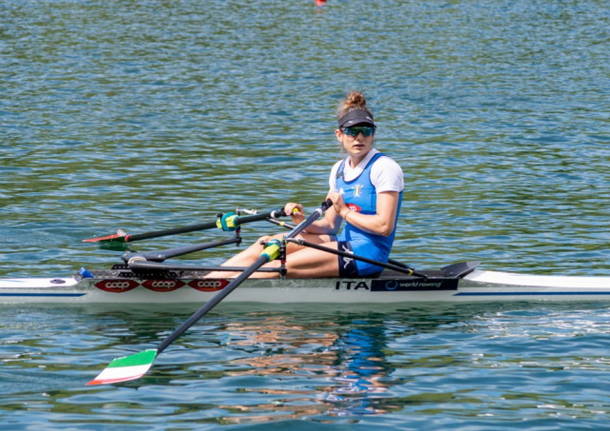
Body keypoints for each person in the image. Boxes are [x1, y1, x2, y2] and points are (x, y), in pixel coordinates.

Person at [206, 91, 404, 279]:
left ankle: (220, 290)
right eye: (352, 131)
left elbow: (384, 226)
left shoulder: (384, 167)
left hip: (368, 255)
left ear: (373, 134)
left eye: (366, 131)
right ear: (339, 134)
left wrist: (344, 212)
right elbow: (328, 226)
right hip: (344, 243)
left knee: (278, 263)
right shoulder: (339, 170)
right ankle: (207, 281)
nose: (359, 137)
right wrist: (300, 219)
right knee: (268, 243)